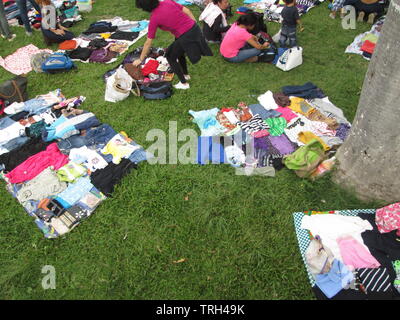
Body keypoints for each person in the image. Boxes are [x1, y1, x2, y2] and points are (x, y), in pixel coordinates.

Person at [133, 0, 213, 90]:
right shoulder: (167, 2)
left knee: (170, 56)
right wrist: (194, 24)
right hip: (193, 28)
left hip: (185, 35)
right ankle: (185, 75)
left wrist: (140, 59)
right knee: (178, 52)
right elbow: (187, 10)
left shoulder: (154, 18)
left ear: (146, 8)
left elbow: (148, 42)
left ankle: (184, 83)